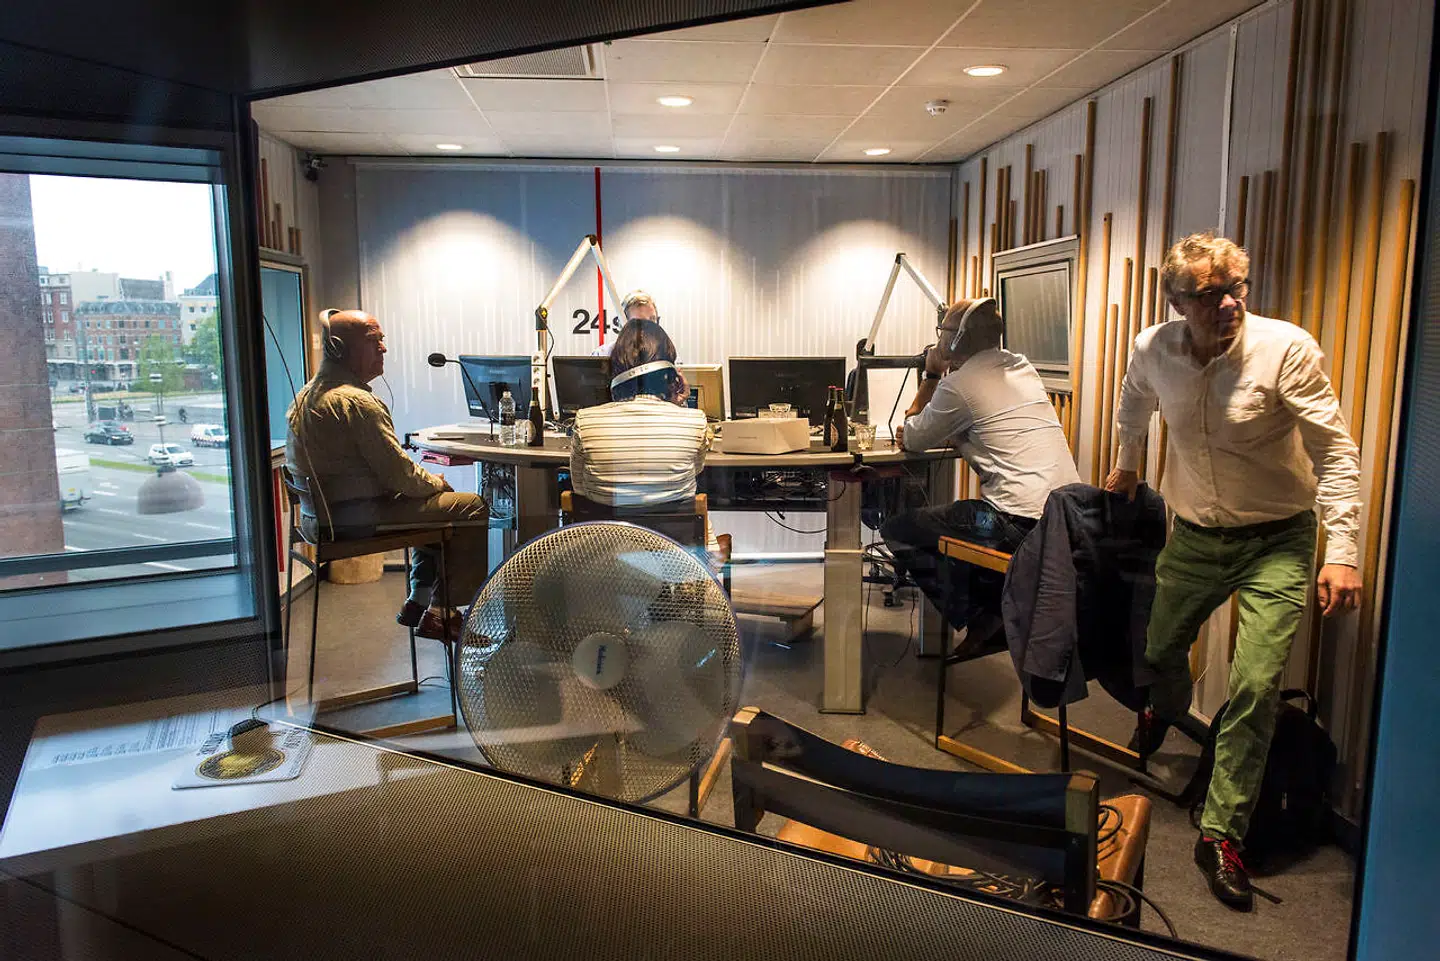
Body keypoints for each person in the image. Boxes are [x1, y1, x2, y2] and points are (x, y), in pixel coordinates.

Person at [1106, 232, 1362, 911]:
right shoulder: (1153, 349)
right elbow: (1134, 397)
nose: (1228, 304)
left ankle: (1221, 834)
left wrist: (1342, 550)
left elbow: (1335, 453)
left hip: (1277, 539)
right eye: (1209, 294)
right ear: (1177, 302)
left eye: (1236, 288)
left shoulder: (1286, 349)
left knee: (1254, 685)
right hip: (1194, 535)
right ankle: (1164, 706)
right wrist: (1127, 461)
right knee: (1159, 649)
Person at [882, 297, 1081, 640]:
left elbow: (912, 437)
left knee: (899, 530)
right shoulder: (1022, 368)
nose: (939, 339)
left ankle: (985, 617)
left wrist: (931, 375)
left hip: (1013, 523)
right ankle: (993, 609)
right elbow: (992, 436)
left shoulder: (957, 386)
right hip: (1066, 517)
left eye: (943, 331)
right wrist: (961, 436)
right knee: (954, 521)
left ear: (955, 340)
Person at [286, 309, 489, 642]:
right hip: (351, 519)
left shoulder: (307, 394)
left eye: (382, 339)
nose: (383, 348)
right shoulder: (356, 402)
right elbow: (401, 476)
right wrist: (436, 483)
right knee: (469, 506)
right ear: (338, 348)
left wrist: (427, 487)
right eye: (373, 340)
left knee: (432, 502)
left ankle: (418, 603)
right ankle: (442, 614)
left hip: (324, 517)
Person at [570, 318, 719, 561]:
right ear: (671, 374)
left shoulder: (586, 421)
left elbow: (580, 488)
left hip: (602, 564)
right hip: (678, 563)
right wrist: (677, 406)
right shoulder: (695, 422)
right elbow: (695, 469)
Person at [591, 290, 660, 358]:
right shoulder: (603, 355)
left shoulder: (664, 356)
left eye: (652, 319)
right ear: (623, 326)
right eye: (640, 322)